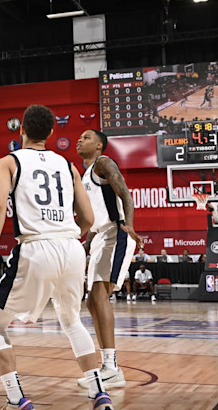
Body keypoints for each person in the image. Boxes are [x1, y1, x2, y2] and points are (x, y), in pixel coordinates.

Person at [0, 105, 113, 410]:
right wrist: (69, 237)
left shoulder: (7, 162)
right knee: (71, 320)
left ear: (20, 129)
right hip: (71, 247)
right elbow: (88, 217)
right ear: (51, 133)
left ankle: (15, 399)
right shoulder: (68, 165)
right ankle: (99, 393)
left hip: (36, 246)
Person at [76, 129, 143, 391]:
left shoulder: (104, 163)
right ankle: (109, 365)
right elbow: (94, 219)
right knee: (92, 300)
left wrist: (129, 225)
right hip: (101, 236)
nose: (81, 140)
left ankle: (112, 367)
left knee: (99, 297)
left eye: (87, 137)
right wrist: (86, 242)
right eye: (80, 137)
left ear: (100, 145)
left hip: (117, 233)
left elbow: (125, 194)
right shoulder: (83, 175)